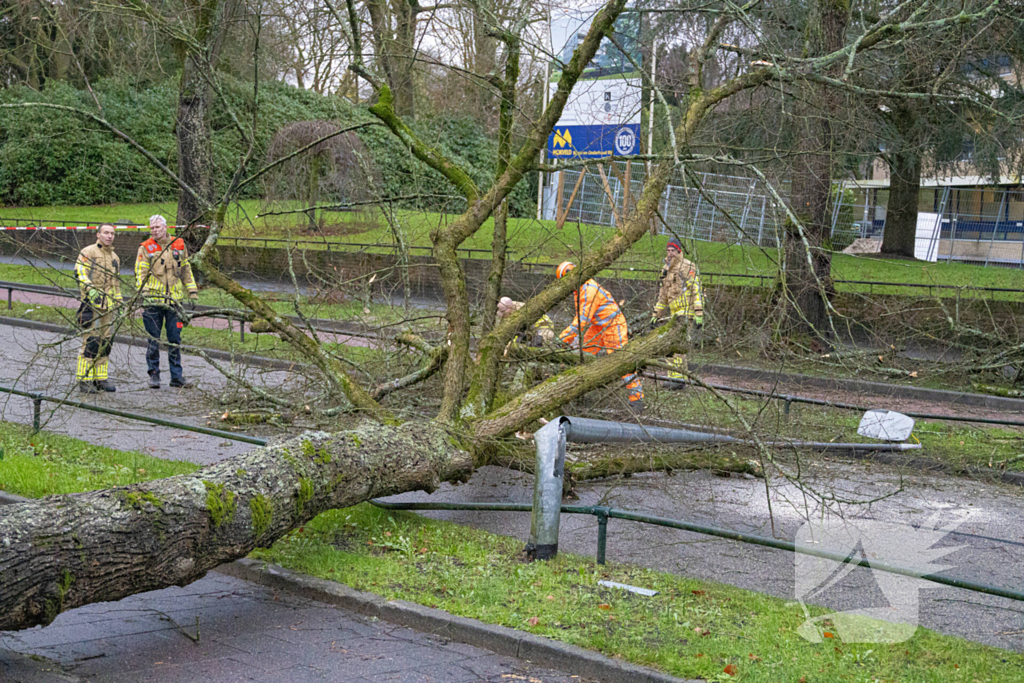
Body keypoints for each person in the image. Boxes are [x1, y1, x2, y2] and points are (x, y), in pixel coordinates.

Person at [555, 261, 643, 411]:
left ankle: (637, 398)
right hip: (598, 326)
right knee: (583, 355)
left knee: (622, 360)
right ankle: (580, 391)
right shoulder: (582, 288)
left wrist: (563, 339)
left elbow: (582, 320)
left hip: (613, 325)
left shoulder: (589, 290)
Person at [136, 215, 199, 389]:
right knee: (153, 340)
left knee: (174, 340)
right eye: (152, 228)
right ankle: (154, 375)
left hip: (174, 301)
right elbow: (140, 274)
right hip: (153, 302)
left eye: (157, 227)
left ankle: (177, 377)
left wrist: (192, 291)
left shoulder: (178, 244)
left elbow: (186, 269)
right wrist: (142, 294)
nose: (154, 230)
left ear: (165, 227)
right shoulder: (145, 247)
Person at [74, 223, 123, 393]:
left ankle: (101, 378)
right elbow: (80, 272)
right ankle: (84, 379)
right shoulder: (88, 252)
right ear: (98, 235)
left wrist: (119, 302)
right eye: (106, 233)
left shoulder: (115, 257)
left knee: (106, 343)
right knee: (91, 342)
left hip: (108, 308)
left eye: (112, 233)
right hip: (92, 305)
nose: (110, 236)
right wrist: (90, 290)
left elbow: (115, 284)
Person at [650, 237, 704, 387]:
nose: (670, 253)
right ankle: (676, 379)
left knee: (676, 346)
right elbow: (663, 296)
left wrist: (699, 313)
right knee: (672, 347)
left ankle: (679, 380)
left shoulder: (688, 266)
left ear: (679, 251)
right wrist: (655, 315)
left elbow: (696, 290)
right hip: (675, 313)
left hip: (686, 312)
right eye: (668, 250)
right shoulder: (666, 269)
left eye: (673, 250)